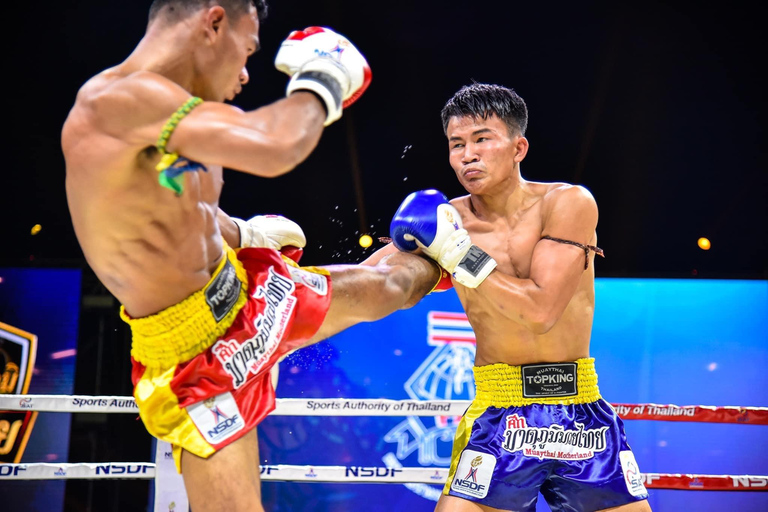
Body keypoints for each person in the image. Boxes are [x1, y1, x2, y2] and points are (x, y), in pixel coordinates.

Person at [61, 1, 441, 510]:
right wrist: (324, 77)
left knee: (392, 286)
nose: (244, 74)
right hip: (194, 355)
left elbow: (179, 201)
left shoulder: (175, 117)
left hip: (245, 290)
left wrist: (242, 232)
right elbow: (275, 145)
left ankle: (454, 248)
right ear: (214, 22)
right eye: (247, 51)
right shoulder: (117, 101)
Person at [368, 83, 651, 511]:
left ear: (518, 147)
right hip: (497, 414)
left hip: (579, 415)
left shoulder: (567, 203)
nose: (467, 155)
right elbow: (370, 281)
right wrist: (289, 274)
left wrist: (459, 252)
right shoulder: (448, 220)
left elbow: (540, 311)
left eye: (482, 139)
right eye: (456, 144)